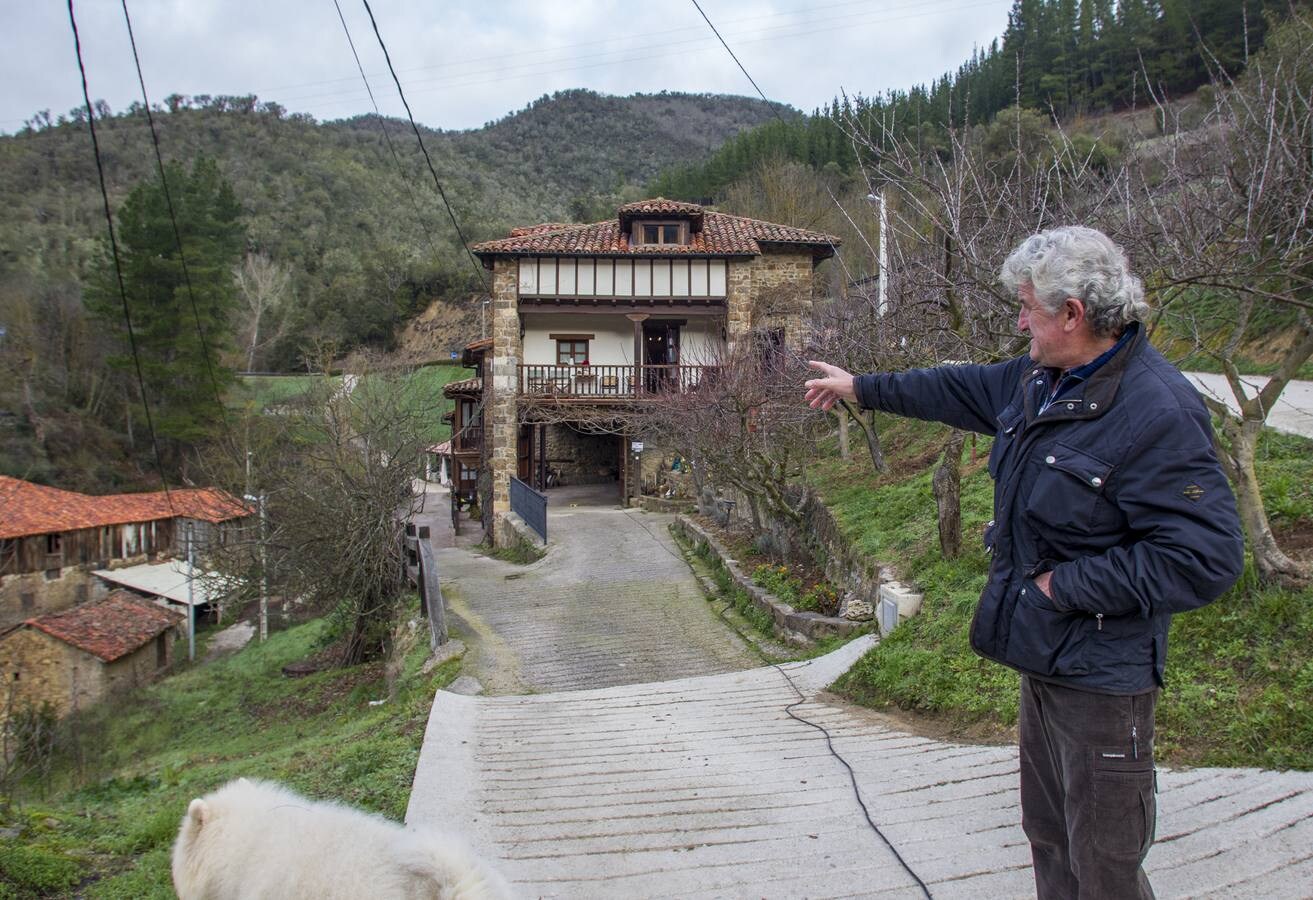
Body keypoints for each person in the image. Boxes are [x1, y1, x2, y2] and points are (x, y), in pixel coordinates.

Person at [804, 226, 1244, 899]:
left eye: (1027, 309)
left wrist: (1057, 585)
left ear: (1072, 315)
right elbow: (953, 390)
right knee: (1049, 839)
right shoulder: (1041, 380)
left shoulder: (1157, 411)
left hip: (1103, 677)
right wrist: (861, 386)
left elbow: (1201, 559)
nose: (1018, 321)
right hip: (1044, 658)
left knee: (1103, 866)